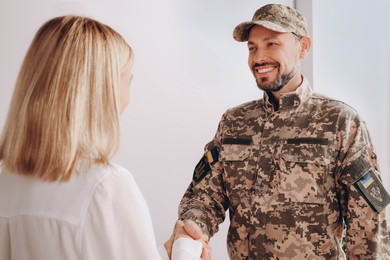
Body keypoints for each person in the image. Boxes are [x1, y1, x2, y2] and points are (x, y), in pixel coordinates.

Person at [166, 4, 390, 259]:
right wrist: (191, 233)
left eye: (272, 44)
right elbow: (204, 196)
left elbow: (369, 224)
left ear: (303, 47)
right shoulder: (234, 122)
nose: (258, 57)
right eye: (252, 47)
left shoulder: (341, 121)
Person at [0, 15, 203, 260]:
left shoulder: (7, 181)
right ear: (103, 88)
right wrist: (187, 250)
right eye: (128, 78)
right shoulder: (104, 186)